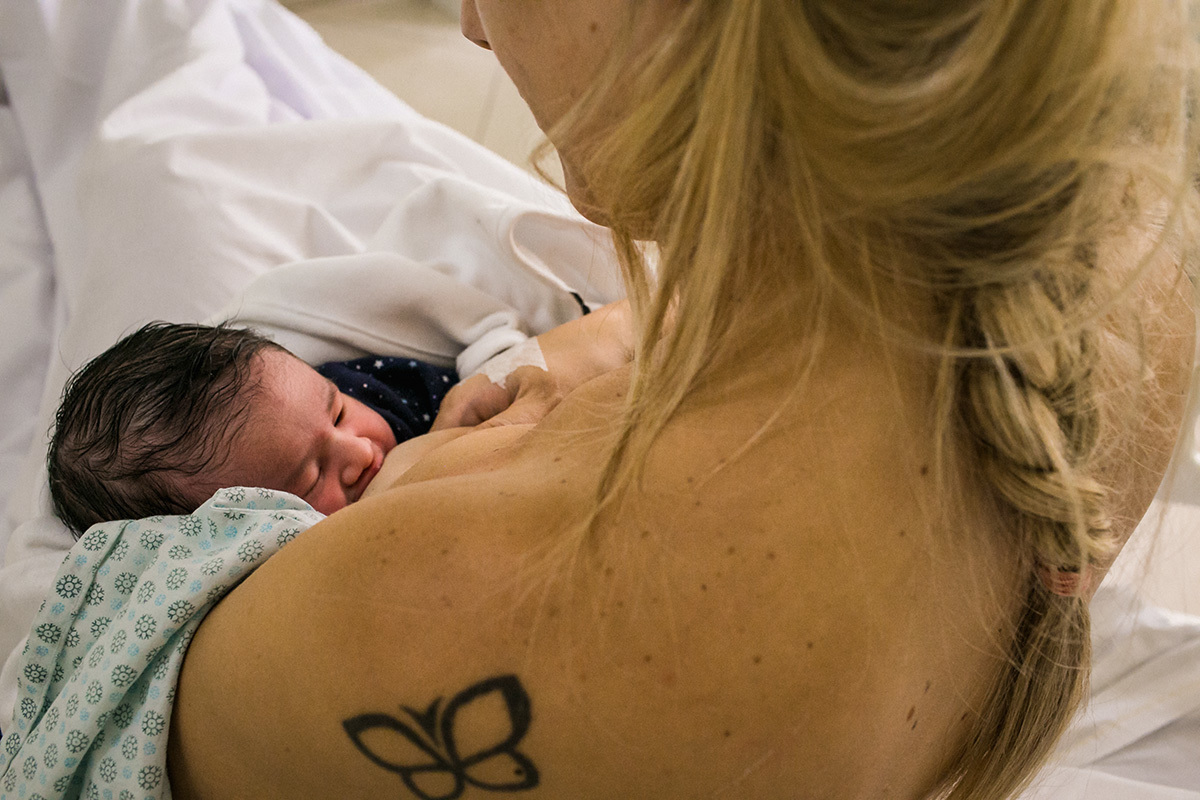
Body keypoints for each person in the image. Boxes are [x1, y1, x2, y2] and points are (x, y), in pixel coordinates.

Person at [157, 1, 1197, 798]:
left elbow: (78, 715)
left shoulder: (480, 596)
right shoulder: (1136, 210)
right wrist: (604, 342)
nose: (472, 25)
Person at [47, 322, 456, 531]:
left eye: (339, 415)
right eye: (311, 478)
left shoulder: (375, 389)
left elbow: (476, 388)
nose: (360, 451)